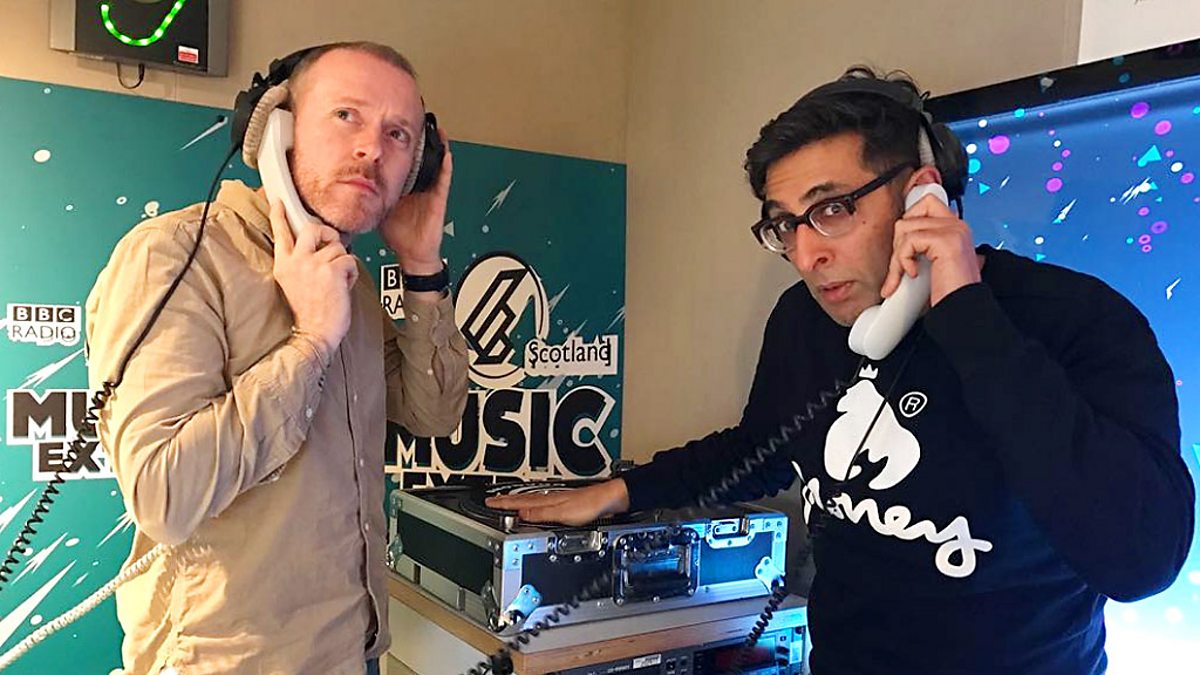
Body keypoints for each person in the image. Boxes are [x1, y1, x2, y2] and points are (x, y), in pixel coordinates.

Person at [487, 67, 1195, 674]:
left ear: (922, 195)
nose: (805, 254)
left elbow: (1140, 559)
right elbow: (760, 448)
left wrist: (967, 318)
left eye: (831, 209)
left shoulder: (1078, 320)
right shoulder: (805, 320)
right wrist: (619, 491)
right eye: (784, 224)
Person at [85, 42, 469, 675]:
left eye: (398, 134)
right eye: (346, 115)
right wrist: (311, 342)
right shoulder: (176, 256)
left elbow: (433, 415)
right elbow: (164, 494)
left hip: (353, 652)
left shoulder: (350, 283)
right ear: (273, 126)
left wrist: (422, 266)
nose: (372, 149)